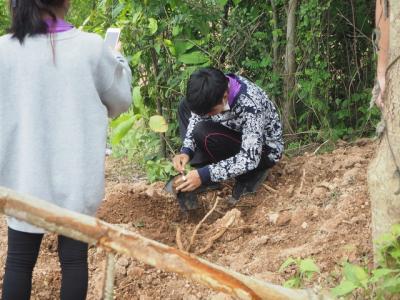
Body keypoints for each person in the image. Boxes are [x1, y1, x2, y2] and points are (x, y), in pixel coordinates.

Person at [0, 1, 132, 299]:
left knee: (19, 261)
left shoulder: (3, 51)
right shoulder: (90, 48)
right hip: (76, 178)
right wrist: (117, 58)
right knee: (74, 260)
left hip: (22, 178)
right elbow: (120, 100)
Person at [173, 67, 283, 207]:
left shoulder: (250, 105)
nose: (205, 116)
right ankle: (202, 170)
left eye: (210, 112)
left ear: (225, 97)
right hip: (234, 133)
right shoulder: (212, 90)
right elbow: (196, 117)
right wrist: (186, 151)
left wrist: (205, 174)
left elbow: (249, 158)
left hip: (263, 152)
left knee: (203, 132)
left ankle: (249, 176)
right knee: (185, 105)